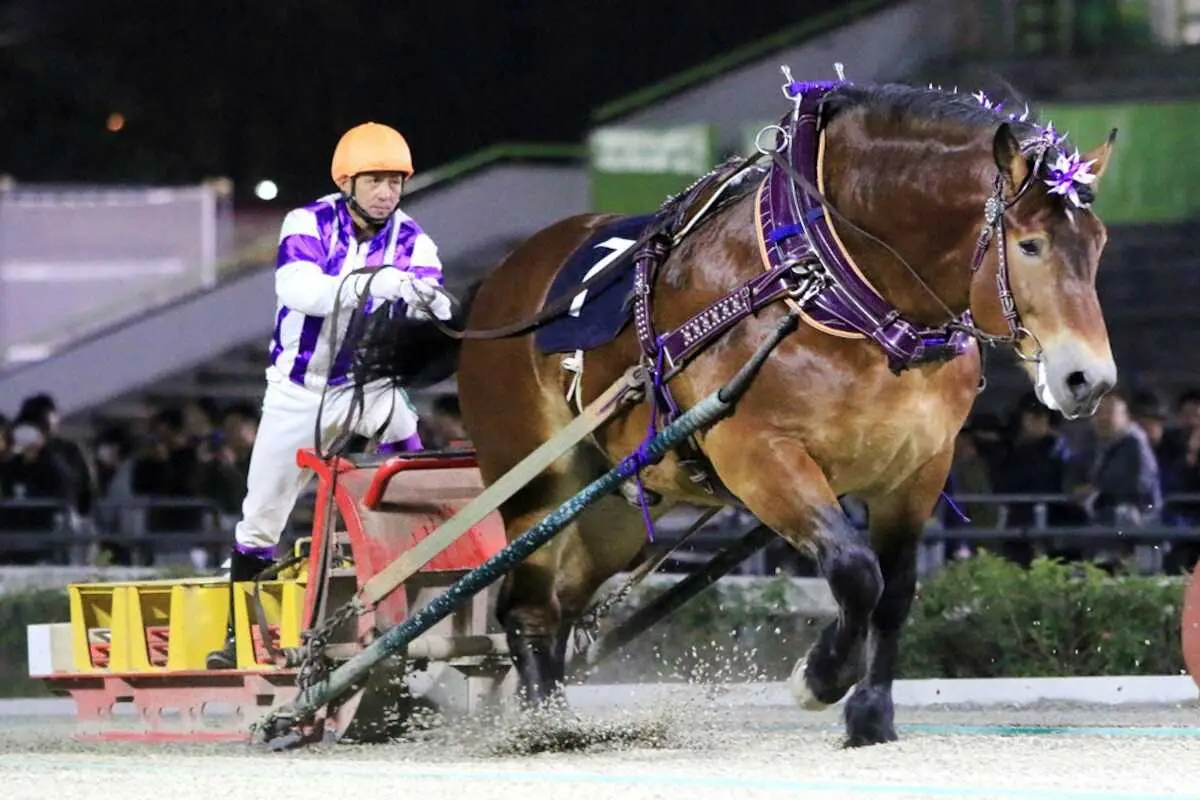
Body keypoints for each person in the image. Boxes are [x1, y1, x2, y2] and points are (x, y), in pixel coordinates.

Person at [206, 121, 453, 669]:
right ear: (348, 182)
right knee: (261, 517)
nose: (388, 192)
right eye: (376, 181)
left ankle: (437, 583)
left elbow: (433, 303)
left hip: (367, 388)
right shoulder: (307, 221)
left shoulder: (416, 239)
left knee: (423, 472)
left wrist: (431, 303)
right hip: (297, 393)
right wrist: (374, 283)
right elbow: (298, 291)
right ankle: (234, 639)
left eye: (395, 180)